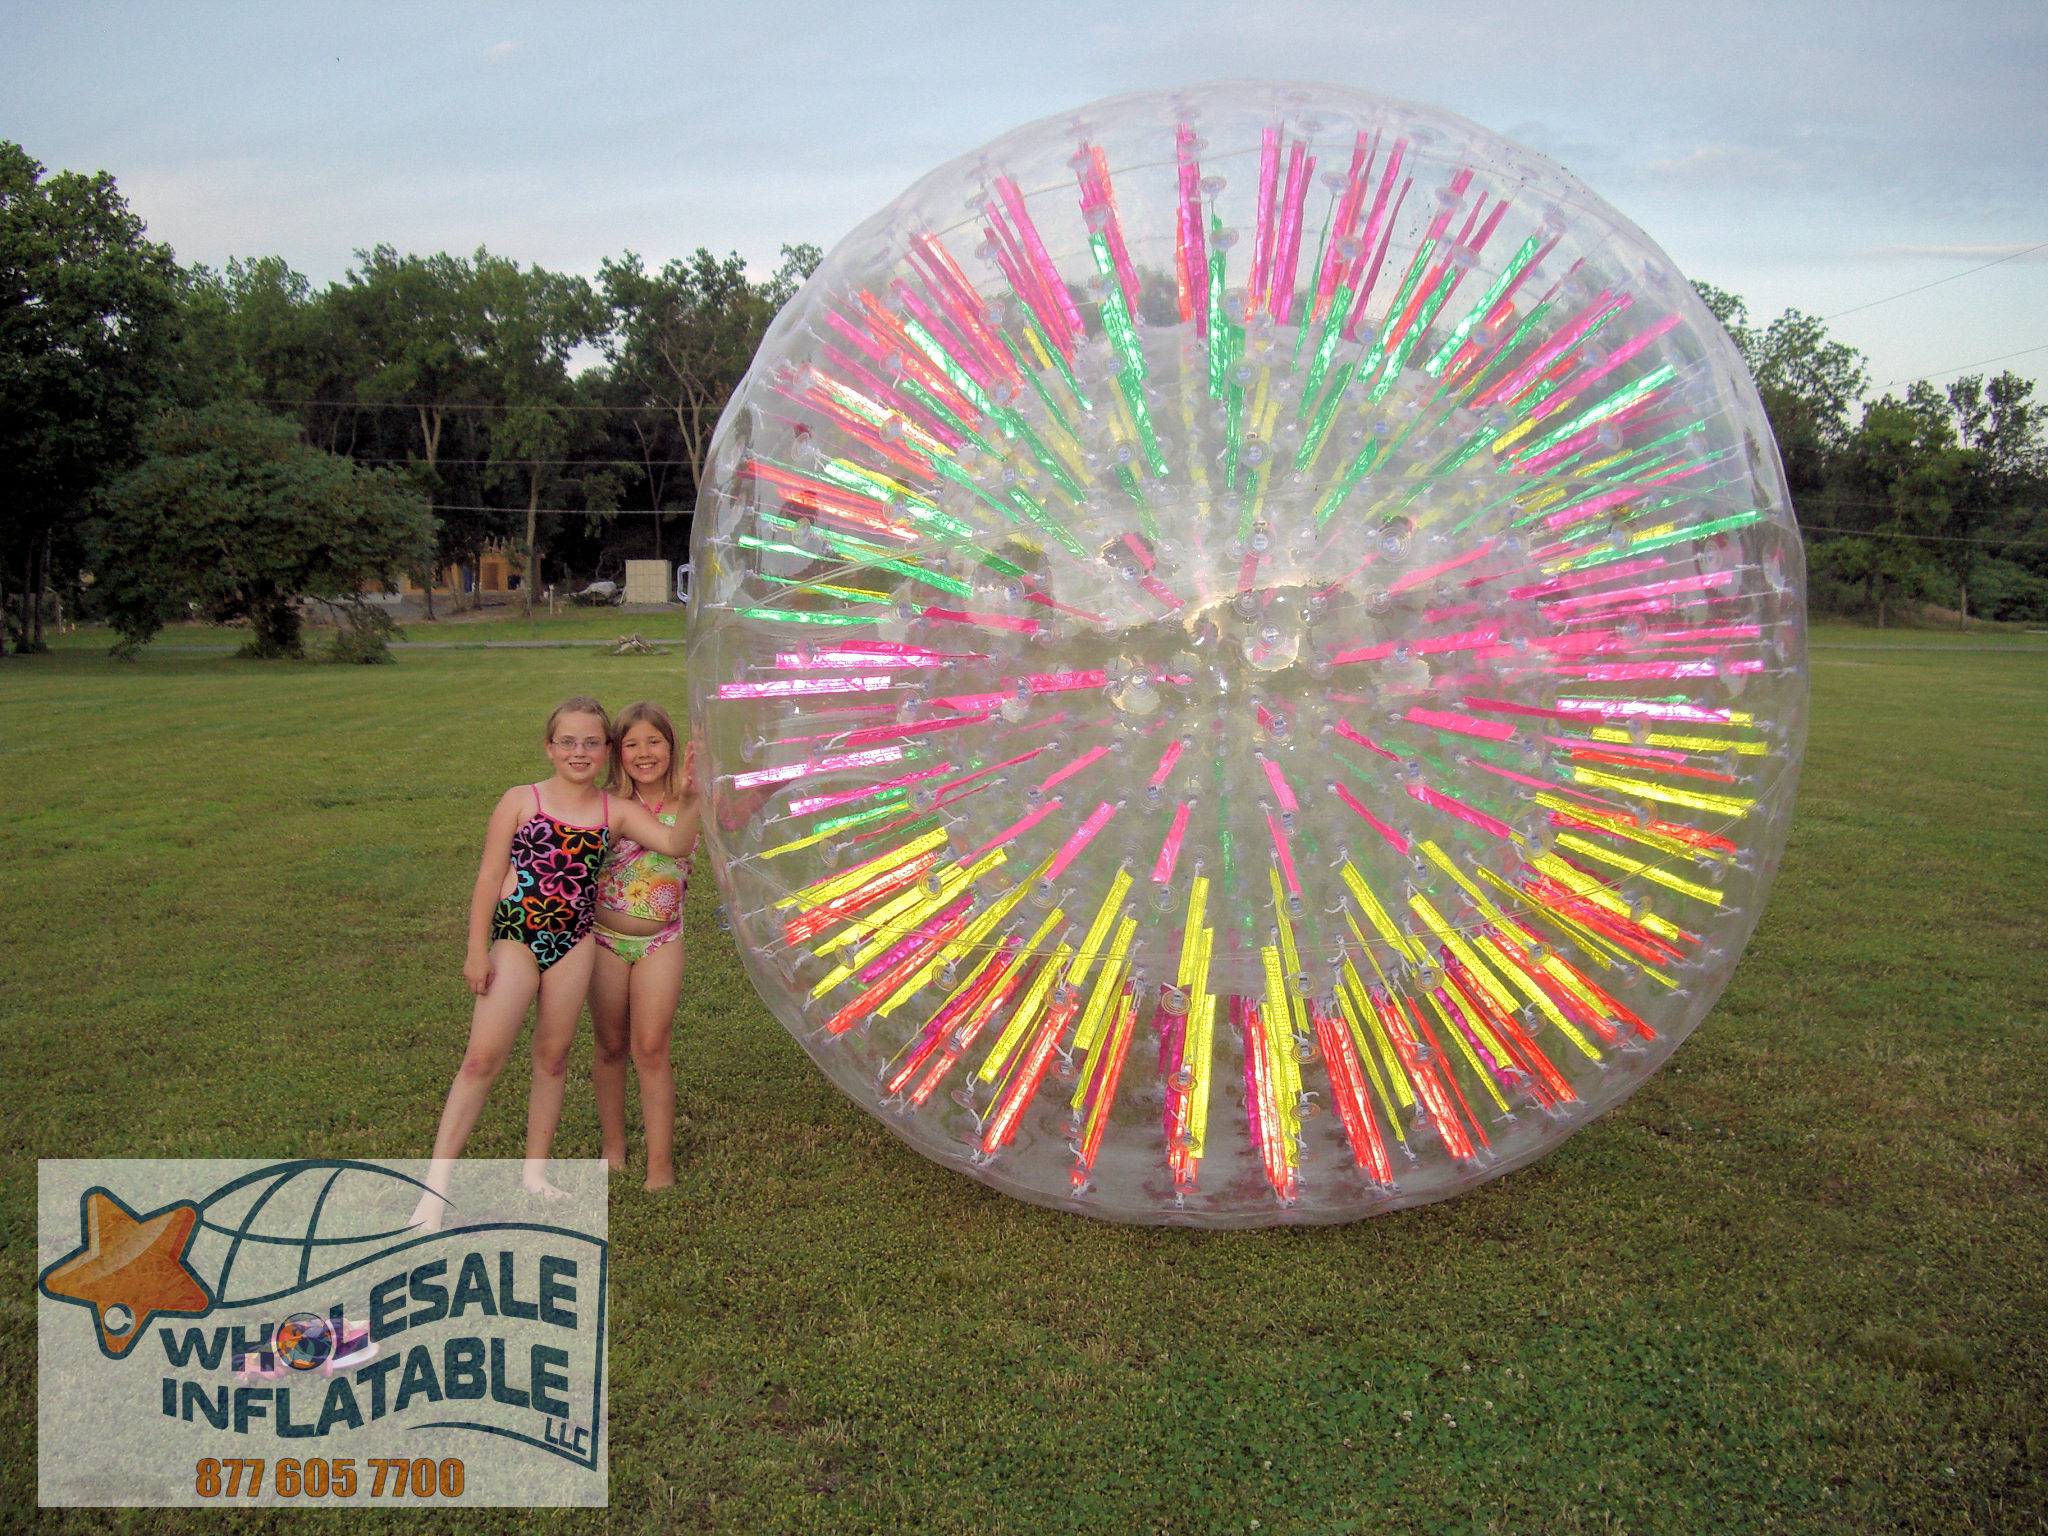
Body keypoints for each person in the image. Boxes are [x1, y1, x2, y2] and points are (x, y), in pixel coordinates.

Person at [409, 696, 696, 1231]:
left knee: (554, 1059)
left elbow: (676, 841)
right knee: (480, 1060)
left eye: (591, 742)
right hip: (518, 937)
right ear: (549, 746)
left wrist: (698, 793)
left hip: (576, 942)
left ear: (605, 750)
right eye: (568, 741)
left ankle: (535, 1175)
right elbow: (489, 876)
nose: (579, 751)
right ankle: (432, 1191)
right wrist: (477, 949)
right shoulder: (521, 800)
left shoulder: (615, 811)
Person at [589, 702, 701, 1190]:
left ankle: (660, 1164)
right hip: (602, 942)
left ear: (671, 746)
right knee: (611, 1045)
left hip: (662, 940)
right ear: (618, 753)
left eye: (654, 741)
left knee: (650, 1048)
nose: (644, 752)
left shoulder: (692, 798)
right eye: (632, 743)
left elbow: (752, 803)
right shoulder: (607, 803)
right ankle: (613, 1147)